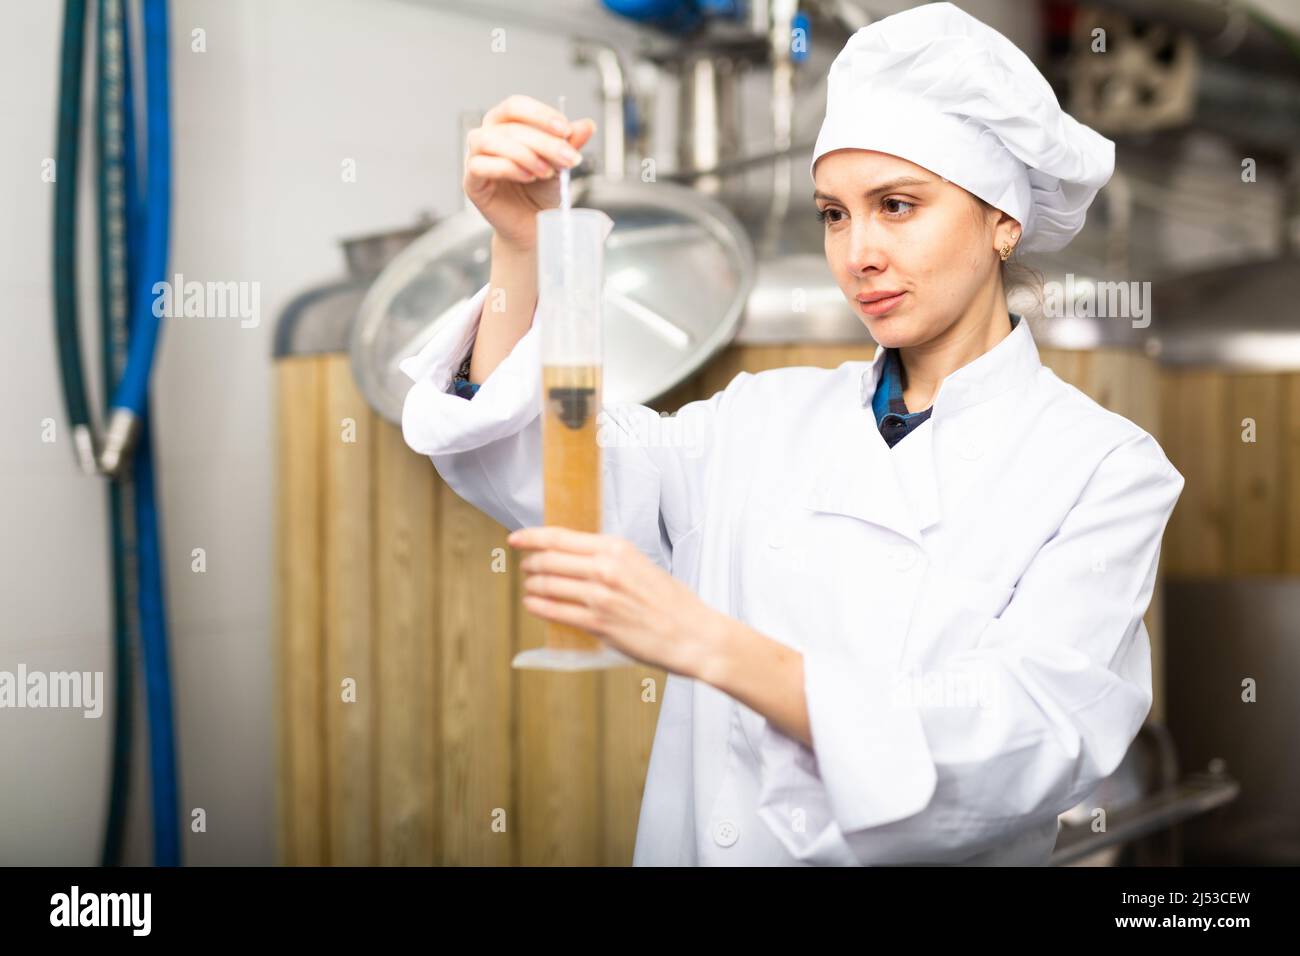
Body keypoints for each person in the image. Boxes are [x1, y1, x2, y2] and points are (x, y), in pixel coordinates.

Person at [399, 2, 1186, 865]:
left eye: (896, 205)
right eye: (834, 214)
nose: (858, 253)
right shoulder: (760, 418)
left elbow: (1030, 741)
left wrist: (711, 644)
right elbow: (538, 470)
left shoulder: (1100, 467)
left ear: (1004, 220)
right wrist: (522, 249)